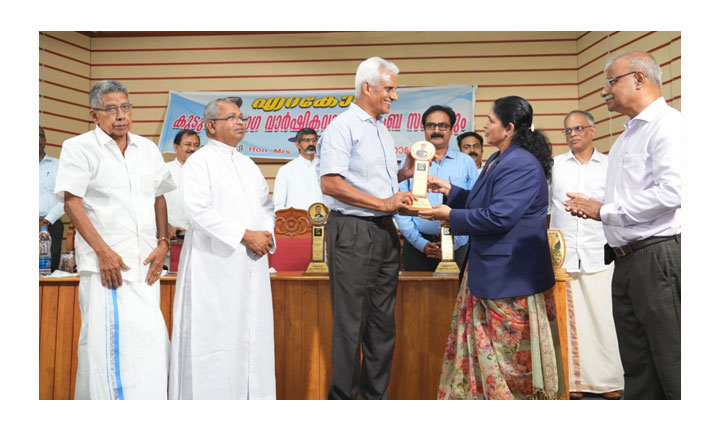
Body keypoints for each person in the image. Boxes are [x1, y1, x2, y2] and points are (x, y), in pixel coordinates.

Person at [420, 95, 560, 400]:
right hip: (490, 271)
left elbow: (499, 217)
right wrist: (451, 192)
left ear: (508, 127)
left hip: (509, 277)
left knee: (508, 366)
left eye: (491, 120)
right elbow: (484, 203)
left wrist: (449, 216)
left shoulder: (520, 162)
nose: (484, 125)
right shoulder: (500, 157)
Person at [563, 51, 681, 400]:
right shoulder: (629, 135)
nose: (605, 91)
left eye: (612, 81)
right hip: (627, 260)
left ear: (639, 79)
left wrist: (605, 212)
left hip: (657, 257)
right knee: (637, 364)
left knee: (671, 359)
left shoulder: (668, 126)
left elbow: (673, 192)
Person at [54, 80, 174, 399]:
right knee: (109, 350)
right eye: (111, 109)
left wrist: (163, 242)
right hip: (108, 268)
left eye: (125, 107)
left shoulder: (147, 149)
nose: (120, 115)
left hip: (147, 266)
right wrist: (103, 252)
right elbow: (72, 203)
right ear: (95, 114)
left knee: (151, 346)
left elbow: (159, 196)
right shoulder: (78, 147)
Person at [316, 56, 417, 400]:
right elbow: (331, 184)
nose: (395, 96)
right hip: (353, 232)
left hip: (384, 233)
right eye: (389, 88)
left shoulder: (381, 129)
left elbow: (375, 183)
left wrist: (406, 174)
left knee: (382, 325)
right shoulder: (341, 127)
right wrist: (384, 204)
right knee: (350, 326)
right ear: (367, 87)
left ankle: (376, 402)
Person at [169, 97, 276, 400]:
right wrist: (244, 235)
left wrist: (265, 233)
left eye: (241, 117)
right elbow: (197, 212)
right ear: (211, 127)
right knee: (217, 338)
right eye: (232, 117)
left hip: (251, 263)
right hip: (214, 265)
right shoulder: (199, 162)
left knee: (251, 336)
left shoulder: (247, 163)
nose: (240, 122)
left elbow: (266, 205)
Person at [548, 110, 624, 400]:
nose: (573, 134)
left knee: (604, 319)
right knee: (570, 322)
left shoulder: (610, 165)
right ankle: (573, 382)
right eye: (567, 130)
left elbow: (618, 205)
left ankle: (608, 382)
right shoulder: (554, 167)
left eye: (579, 128)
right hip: (564, 255)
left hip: (600, 252)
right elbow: (544, 208)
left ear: (593, 131)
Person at [395, 105, 478, 271]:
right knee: (416, 297)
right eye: (431, 125)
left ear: (452, 129)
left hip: (459, 247)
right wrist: (421, 244)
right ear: (424, 128)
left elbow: (474, 204)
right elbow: (399, 207)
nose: (437, 130)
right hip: (417, 248)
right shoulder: (410, 162)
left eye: (443, 126)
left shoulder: (466, 162)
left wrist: (453, 244)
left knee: (456, 296)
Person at [273, 128, 324, 211]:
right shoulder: (286, 170)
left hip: (323, 221)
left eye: (314, 140)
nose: (311, 143)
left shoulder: (325, 167)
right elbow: (278, 204)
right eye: (306, 140)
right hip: (296, 221)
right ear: (297, 144)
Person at [165, 129, 200, 239]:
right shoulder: (164, 170)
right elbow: (153, 202)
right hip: (171, 236)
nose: (192, 149)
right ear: (176, 147)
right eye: (188, 144)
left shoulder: (205, 172)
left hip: (198, 236)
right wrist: (165, 226)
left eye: (196, 145)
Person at [39, 126, 65, 272]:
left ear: (45, 141)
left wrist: (46, 221)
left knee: (49, 270)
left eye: (40, 136)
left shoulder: (58, 165)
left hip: (51, 225)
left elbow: (66, 196)